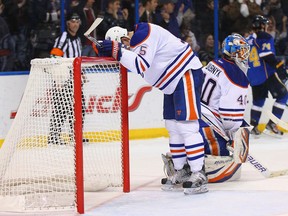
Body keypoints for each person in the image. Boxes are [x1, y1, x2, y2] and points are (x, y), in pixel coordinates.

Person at [95, 24, 207, 195]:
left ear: (124, 40)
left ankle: (198, 173)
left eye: (122, 45)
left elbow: (141, 65)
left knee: (187, 127)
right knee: (173, 127)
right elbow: (133, 62)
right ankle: (181, 170)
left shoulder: (143, 33)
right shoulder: (135, 43)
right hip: (172, 82)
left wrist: (117, 50)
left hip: (185, 74)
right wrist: (116, 52)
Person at [163, 33, 252, 183]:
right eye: (241, 51)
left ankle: (181, 162)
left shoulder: (214, 63)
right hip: (207, 128)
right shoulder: (237, 76)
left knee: (186, 136)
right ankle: (198, 167)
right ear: (232, 52)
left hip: (194, 115)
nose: (244, 56)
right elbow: (231, 119)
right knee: (239, 130)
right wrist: (233, 138)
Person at [48, 12, 88, 145]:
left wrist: (81, 73)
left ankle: (75, 135)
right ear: (68, 23)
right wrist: (59, 76)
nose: (75, 24)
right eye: (73, 21)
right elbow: (54, 56)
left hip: (76, 79)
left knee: (80, 108)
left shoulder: (77, 39)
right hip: (64, 79)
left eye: (77, 21)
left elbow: (77, 59)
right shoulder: (64, 37)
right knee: (62, 108)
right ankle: (54, 136)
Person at [246, 15, 288, 137]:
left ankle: (253, 126)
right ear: (262, 26)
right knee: (283, 95)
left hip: (253, 77)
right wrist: (280, 67)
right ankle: (273, 124)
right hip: (266, 74)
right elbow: (267, 56)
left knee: (258, 101)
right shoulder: (264, 37)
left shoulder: (247, 40)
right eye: (265, 24)